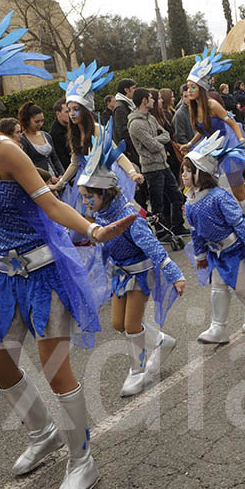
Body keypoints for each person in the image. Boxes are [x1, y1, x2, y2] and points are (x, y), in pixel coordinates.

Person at [0, 11, 135, 489]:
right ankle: (42, 434)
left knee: (55, 367)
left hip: (44, 273)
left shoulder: (5, 151)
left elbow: (53, 204)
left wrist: (94, 228)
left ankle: (83, 460)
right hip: (5, 278)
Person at [76, 121, 185, 396]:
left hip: (140, 272)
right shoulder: (101, 217)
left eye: (89, 197)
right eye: (84, 198)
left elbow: (153, 248)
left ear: (104, 192)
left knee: (131, 325)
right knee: (117, 324)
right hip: (121, 274)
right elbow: (104, 247)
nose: (86, 203)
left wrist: (175, 274)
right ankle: (161, 341)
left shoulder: (129, 217)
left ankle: (138, 371)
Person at [183, 132, 245, 344]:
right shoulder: (190, 202)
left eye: (188, 170)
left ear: (202, 173)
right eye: (183, 170)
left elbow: (238, 221)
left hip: (233, 250)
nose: (183, 174)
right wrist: (200, 255)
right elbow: (196, 231)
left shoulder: (219, 196)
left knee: (239, 287)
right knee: (218, 286)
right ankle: (218, 328)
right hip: (215, 253)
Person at [52, 64, 144, 214]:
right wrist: (60, 184)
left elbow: (117, 154)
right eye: (69, 110)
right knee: (88, 219)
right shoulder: (73, 133)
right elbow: (75, 163)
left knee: (124, 210)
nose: (72, 114)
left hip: (104, 178)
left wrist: (132, 172)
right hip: (85, 183)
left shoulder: (97, 129)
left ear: (85, 110)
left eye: (76, 109)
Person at [180, 48, 245, 225]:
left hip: (226, 149)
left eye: (193, 87)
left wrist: (241, 139)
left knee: (238, 191)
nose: (190, 90)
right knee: (211, 191)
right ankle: (224, 226)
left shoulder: (212, 104)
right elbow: (203, 130)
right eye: (188, 87)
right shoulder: (193, 107)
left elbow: (230, 122)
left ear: (201, 88)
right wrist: (190, 144)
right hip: (208, 150)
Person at [128, 88, 188, 235]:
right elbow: (153, 146)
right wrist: (159, 140)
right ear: (144, 100)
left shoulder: (150, 118)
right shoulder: (136, 124)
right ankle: (161, 232)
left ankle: (177, 226)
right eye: (151, 98)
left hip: (163, 164)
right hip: (151, 168)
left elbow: (166, 134)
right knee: (157, 203)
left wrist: (157, 139)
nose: (154, 100)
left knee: (177, 196)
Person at [19, 101, 64, 183]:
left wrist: (61, 174)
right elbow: (27, 166)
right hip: (39, 182)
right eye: (37, 121)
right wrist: (48, 178)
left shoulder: (46, 135)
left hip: (56, 180)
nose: (40, 124)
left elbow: (55, 158)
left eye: (42, 121)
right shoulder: (22, 140)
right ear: (27, 121)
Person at [50, 99, 71, 167]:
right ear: (58, 114)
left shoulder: (76, 125)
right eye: (67, 112)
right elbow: (62, 159)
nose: (71, 114)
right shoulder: (54, 135)